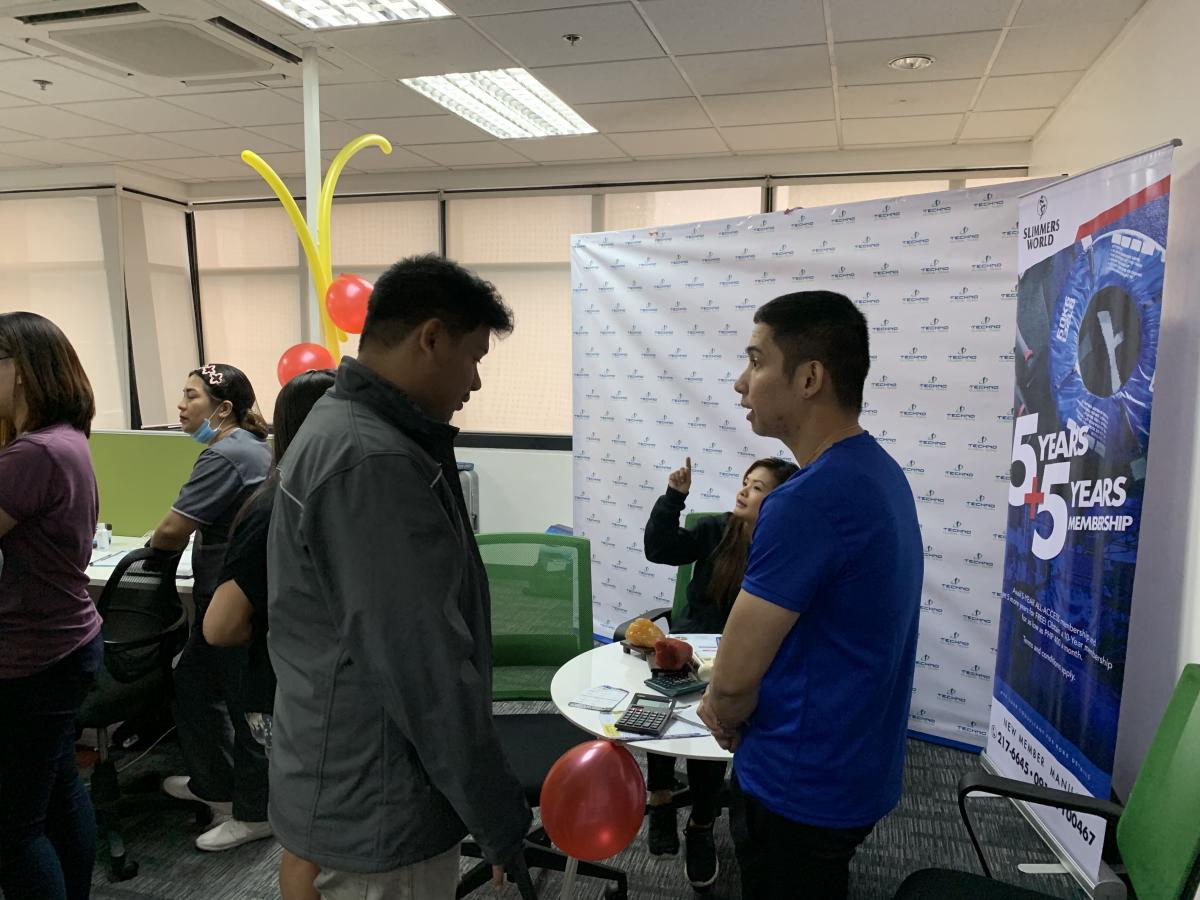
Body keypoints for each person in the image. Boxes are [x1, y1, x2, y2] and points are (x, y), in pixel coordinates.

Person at [267, 254, 532, 899]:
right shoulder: (372, 460)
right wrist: (497, 816)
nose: (474, 383)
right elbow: (422, 666)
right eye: (473, 358)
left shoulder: (344, 426)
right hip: (381, 793)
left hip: (347, 767)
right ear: (431, 338)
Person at [697, 291, 922, 900]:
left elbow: (732, 681)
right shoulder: (879, 472)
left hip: (799, 782)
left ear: (809, 378)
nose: (741, 382)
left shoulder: (805, 501)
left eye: (756, 361)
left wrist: (721, 711)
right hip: (856, 768)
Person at [203, 369, 335, 900]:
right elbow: (220, 626)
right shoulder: (278, 505)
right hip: (283, 694)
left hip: (309, 690)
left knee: (323, 830)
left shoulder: (317, 494)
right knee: (308, 839)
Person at [642, 454, 796, 889]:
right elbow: (659, 549)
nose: (744, 490)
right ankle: (660, 798)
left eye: (758, 487)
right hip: (691, 647)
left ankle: (702, 825)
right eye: (745, 481)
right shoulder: (714, 530)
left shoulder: (785, 546)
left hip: (742, 658)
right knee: (661, 697)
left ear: (781, 500)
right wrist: (674, 497)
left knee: (715, 724)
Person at [150, 363, 272, 852]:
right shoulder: (253, 446)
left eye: (191, 396)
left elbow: (171, 531)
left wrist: (152, 553)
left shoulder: (225, 455)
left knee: (241, 703)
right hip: (237, 592)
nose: (181, 406)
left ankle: (256, 812)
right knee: (195, 684)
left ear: (222, 409)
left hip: (231, 598)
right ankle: (216, 784)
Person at [0, 312, 101, 900]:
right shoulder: (66, 440)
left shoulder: (31, 453)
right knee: (59, 790)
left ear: (21, 370)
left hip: (31, 654)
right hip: (65, 641)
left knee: (13, 829)